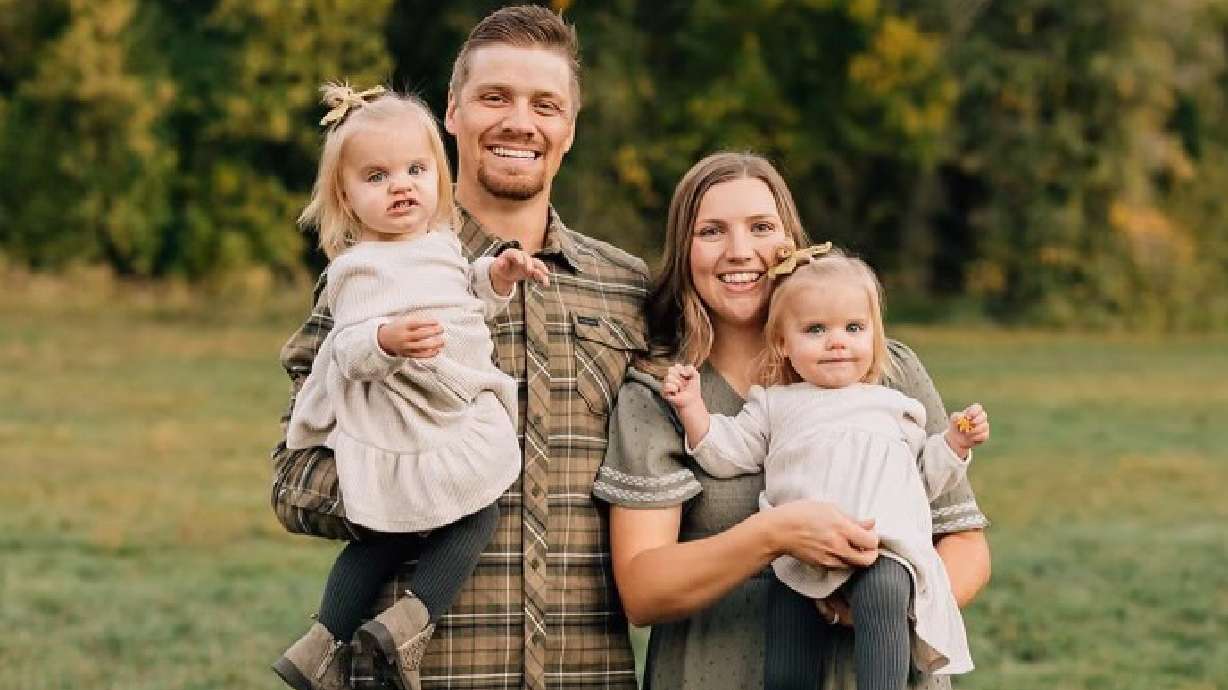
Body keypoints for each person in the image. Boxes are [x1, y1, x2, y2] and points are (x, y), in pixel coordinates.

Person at [273, 6, 647, 690]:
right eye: (494, 97)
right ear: (453, 112)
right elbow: (291, 483)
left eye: (545, 104)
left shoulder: (624, 290)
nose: (519, 121)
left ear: (569, 126)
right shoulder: (371, 276)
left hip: (585, 674)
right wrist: (401, 481)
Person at [593, 152, 992, 690]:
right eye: (711, 231)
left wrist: (883, 604)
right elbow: (643, 592)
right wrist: (772, 535)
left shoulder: (884, 371)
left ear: (791, 242)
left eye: (761, 227)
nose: (740, 251)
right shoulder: (662, 392)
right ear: (685, 251)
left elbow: (965, 546)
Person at [273, 83, 550, 690]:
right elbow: (346, 347)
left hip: (448, 408)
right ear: (345, 198)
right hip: (409, 417)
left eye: (415, 170)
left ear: (439, 178)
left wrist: (496, 275)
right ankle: (405, 624)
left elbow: (464, 299)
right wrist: (387, 339)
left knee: (391, 532)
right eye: (377, 176)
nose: (400, 185)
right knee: (463, 513)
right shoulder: (357, 268)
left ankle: (324, 644)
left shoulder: (441, 246)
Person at [660, 249, 989, 690]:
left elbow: (923, 482)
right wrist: (692, 408)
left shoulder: (895, 406)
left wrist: (955, 444)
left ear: (874, 336)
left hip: (882, 549)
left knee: (885, 594)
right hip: (799, 553)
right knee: (789, 649)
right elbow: (726, 451)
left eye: (854, 328)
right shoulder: (775, 404)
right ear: (783, 343)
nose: (837, 341)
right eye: (815, 330)